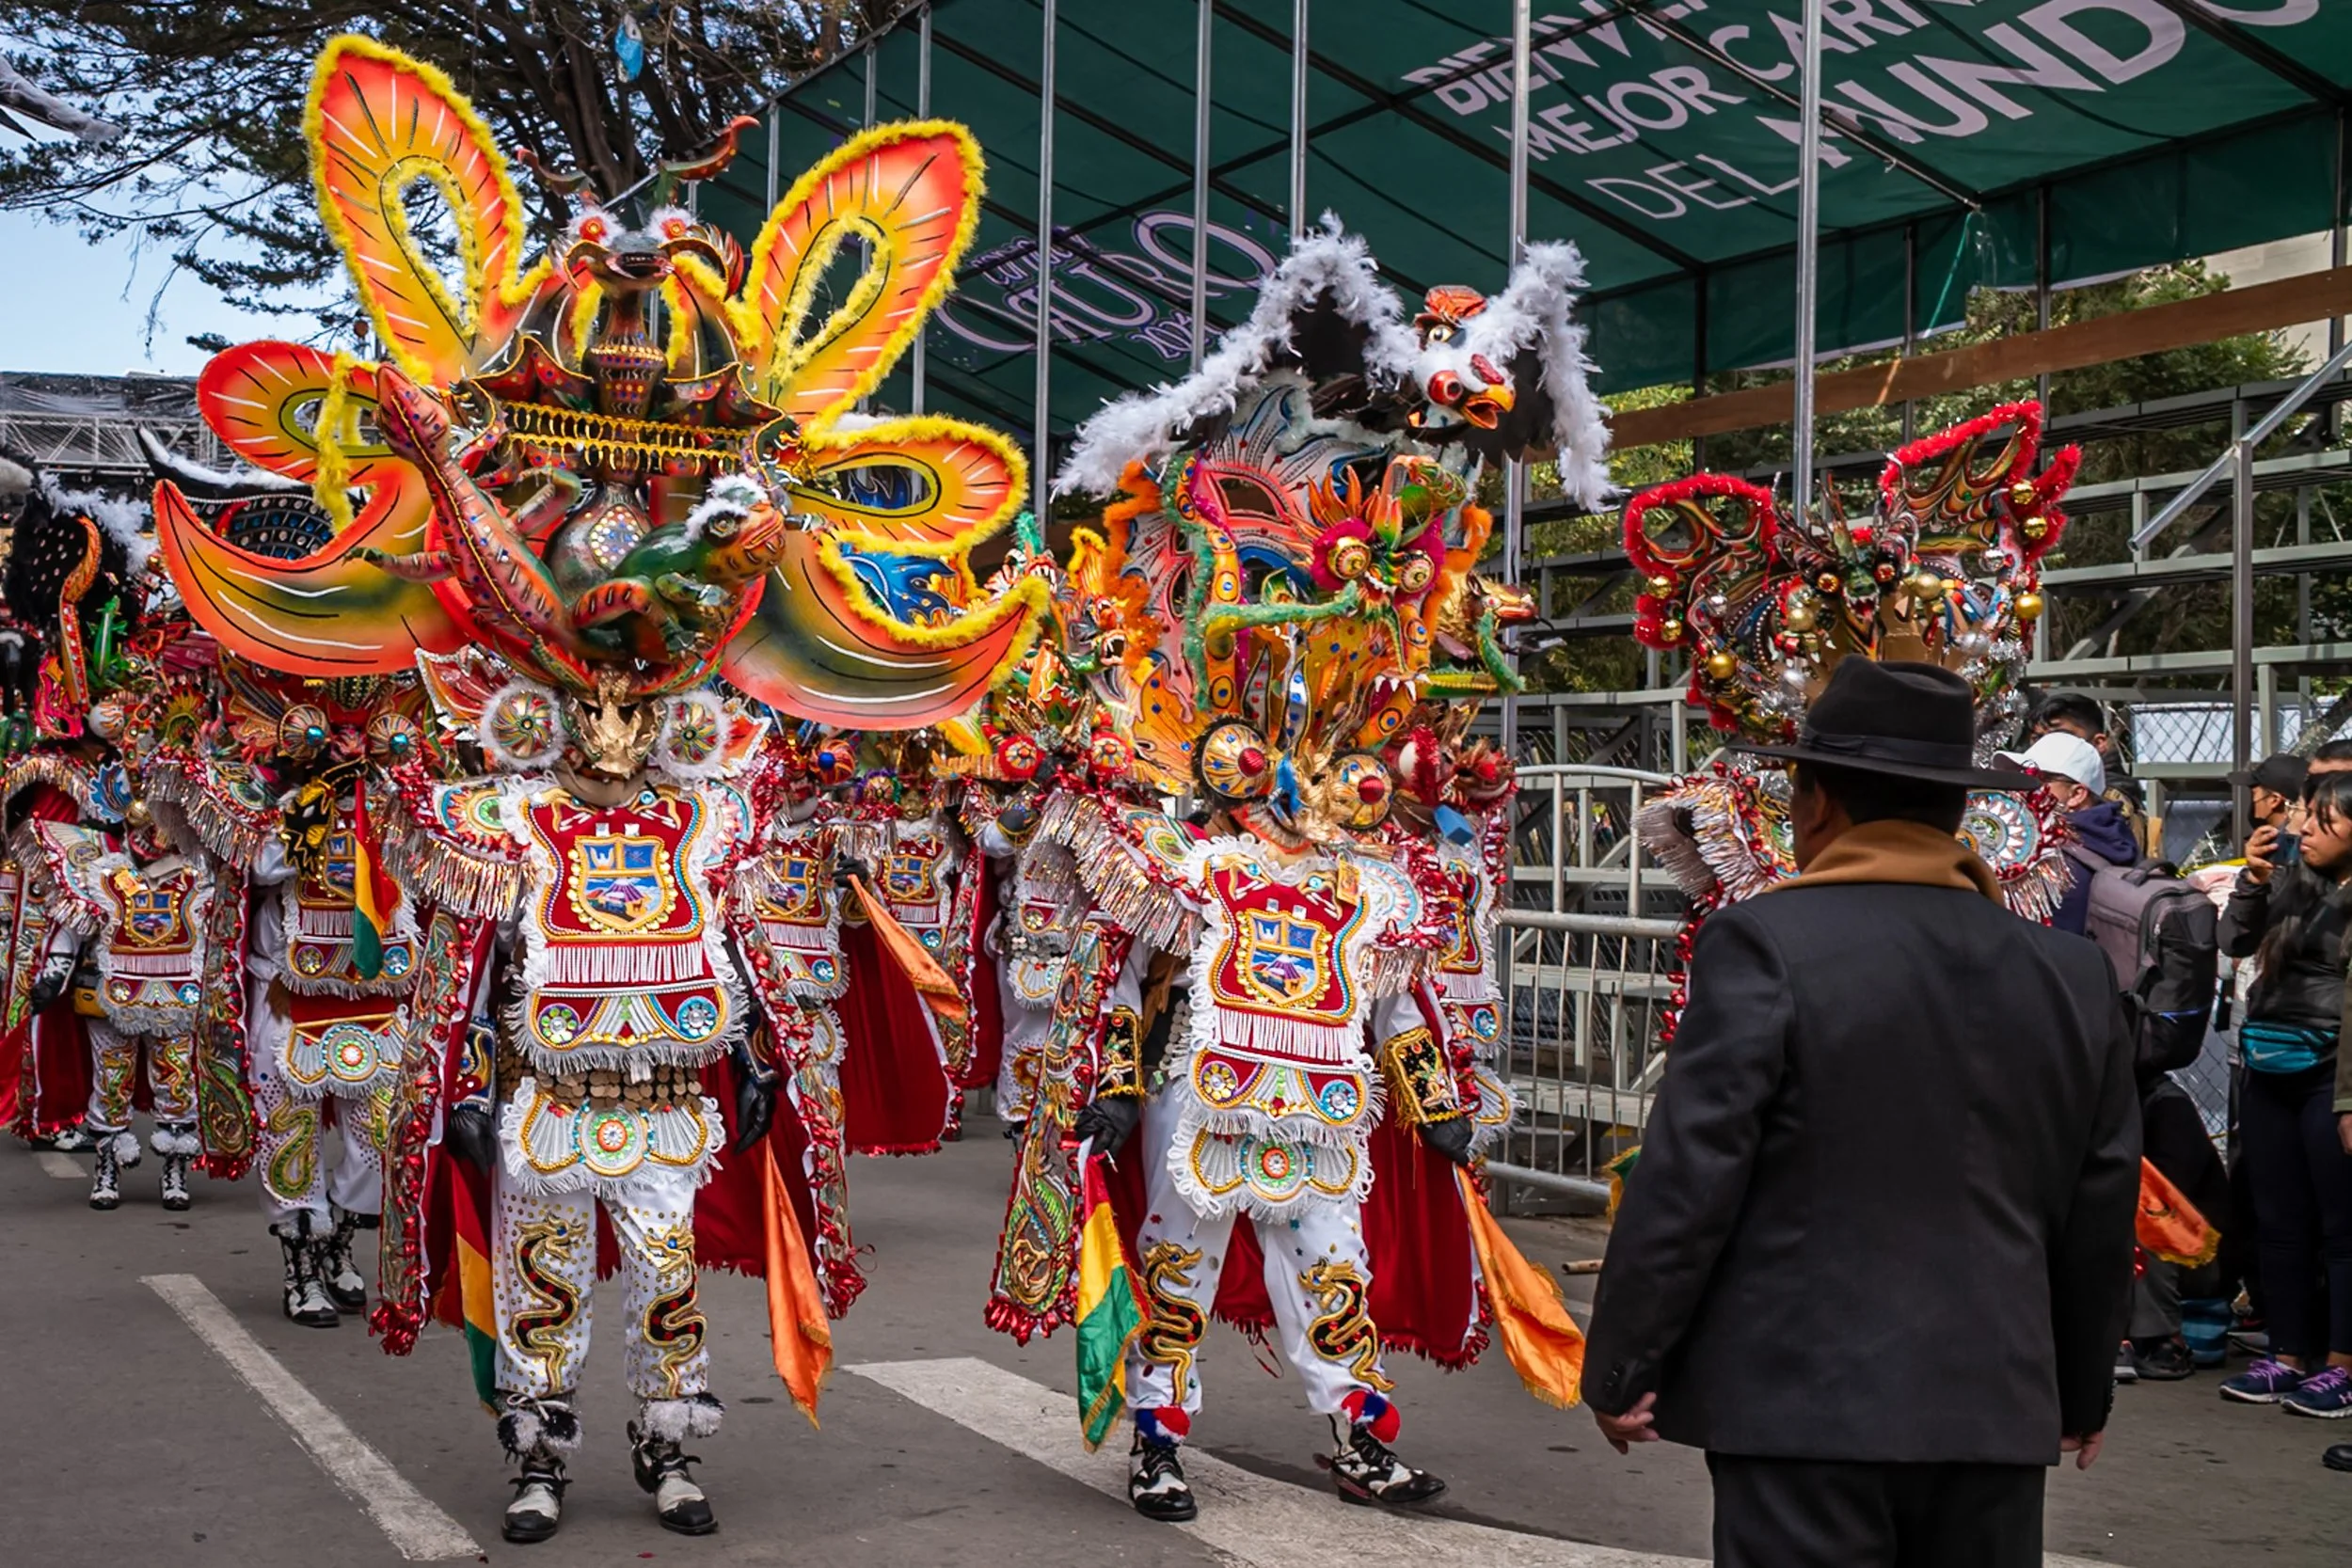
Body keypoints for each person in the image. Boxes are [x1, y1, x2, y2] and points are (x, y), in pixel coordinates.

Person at [1584, 660, 2140, 1568]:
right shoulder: (2071, 976)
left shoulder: (1766, 943)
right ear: (1959, 814)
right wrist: (2082, 1394)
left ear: (1815, 805)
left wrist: (1622, 1364)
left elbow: (1691, 1176)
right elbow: (2098, 1205)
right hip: (1994, 1407)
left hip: (1800, 1408)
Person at [2215, 770, 2352, 1418]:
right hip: (2267, 1060)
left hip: (2331, 1071)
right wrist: (2253, 880)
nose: (2305, 828)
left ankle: (2341, 1364)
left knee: (2342, 1226)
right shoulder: (2291, 880)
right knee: (2280, 1218)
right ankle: (2287, 1353)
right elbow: (2235, 940)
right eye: (2306, 814)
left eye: (2325, 819)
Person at [2031, 692, 2153, 853]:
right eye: (2038, 738)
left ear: (2099, 743)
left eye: (2060, 737)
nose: (2047, 746)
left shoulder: (2110, 802)